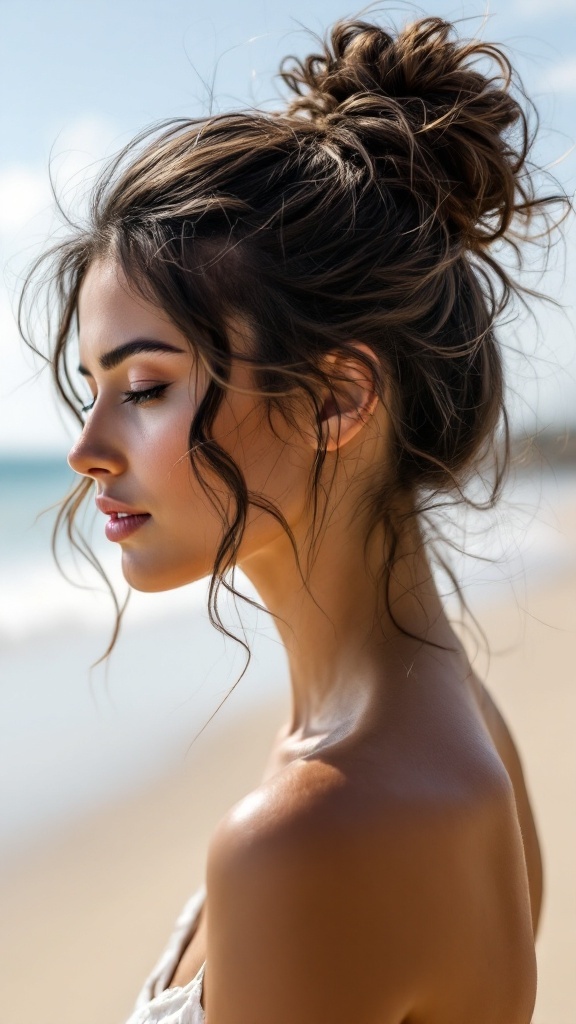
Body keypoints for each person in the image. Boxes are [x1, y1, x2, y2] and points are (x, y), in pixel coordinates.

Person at [22, 14, 565, 1024]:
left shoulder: (321, 831)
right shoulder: (445, 729)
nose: (88, 447)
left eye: (144, 387)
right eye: (93, 387)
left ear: (335, 400)